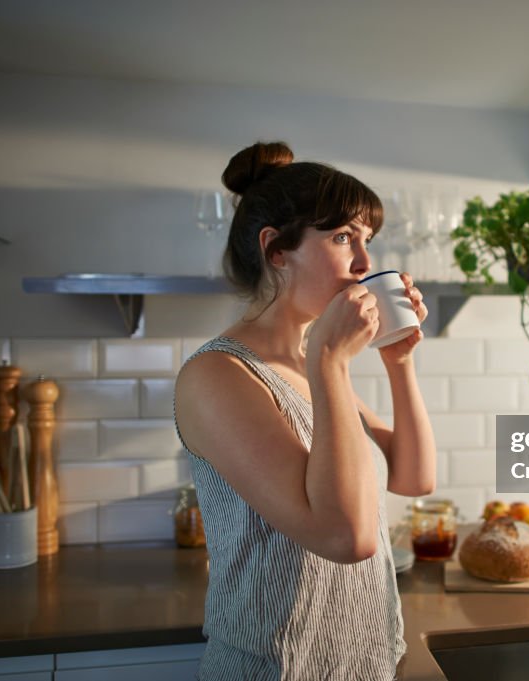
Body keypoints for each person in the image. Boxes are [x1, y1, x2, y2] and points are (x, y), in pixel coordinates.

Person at [174, 141, 436, 680]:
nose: (366, 263)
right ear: (276, 250)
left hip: (359, 662)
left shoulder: (309, 362)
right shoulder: (219, 375)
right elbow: (347, 539)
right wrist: (332, 364)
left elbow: (414, 477)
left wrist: (398, 360)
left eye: (367, 240)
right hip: (274, 669)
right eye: (343, 238)